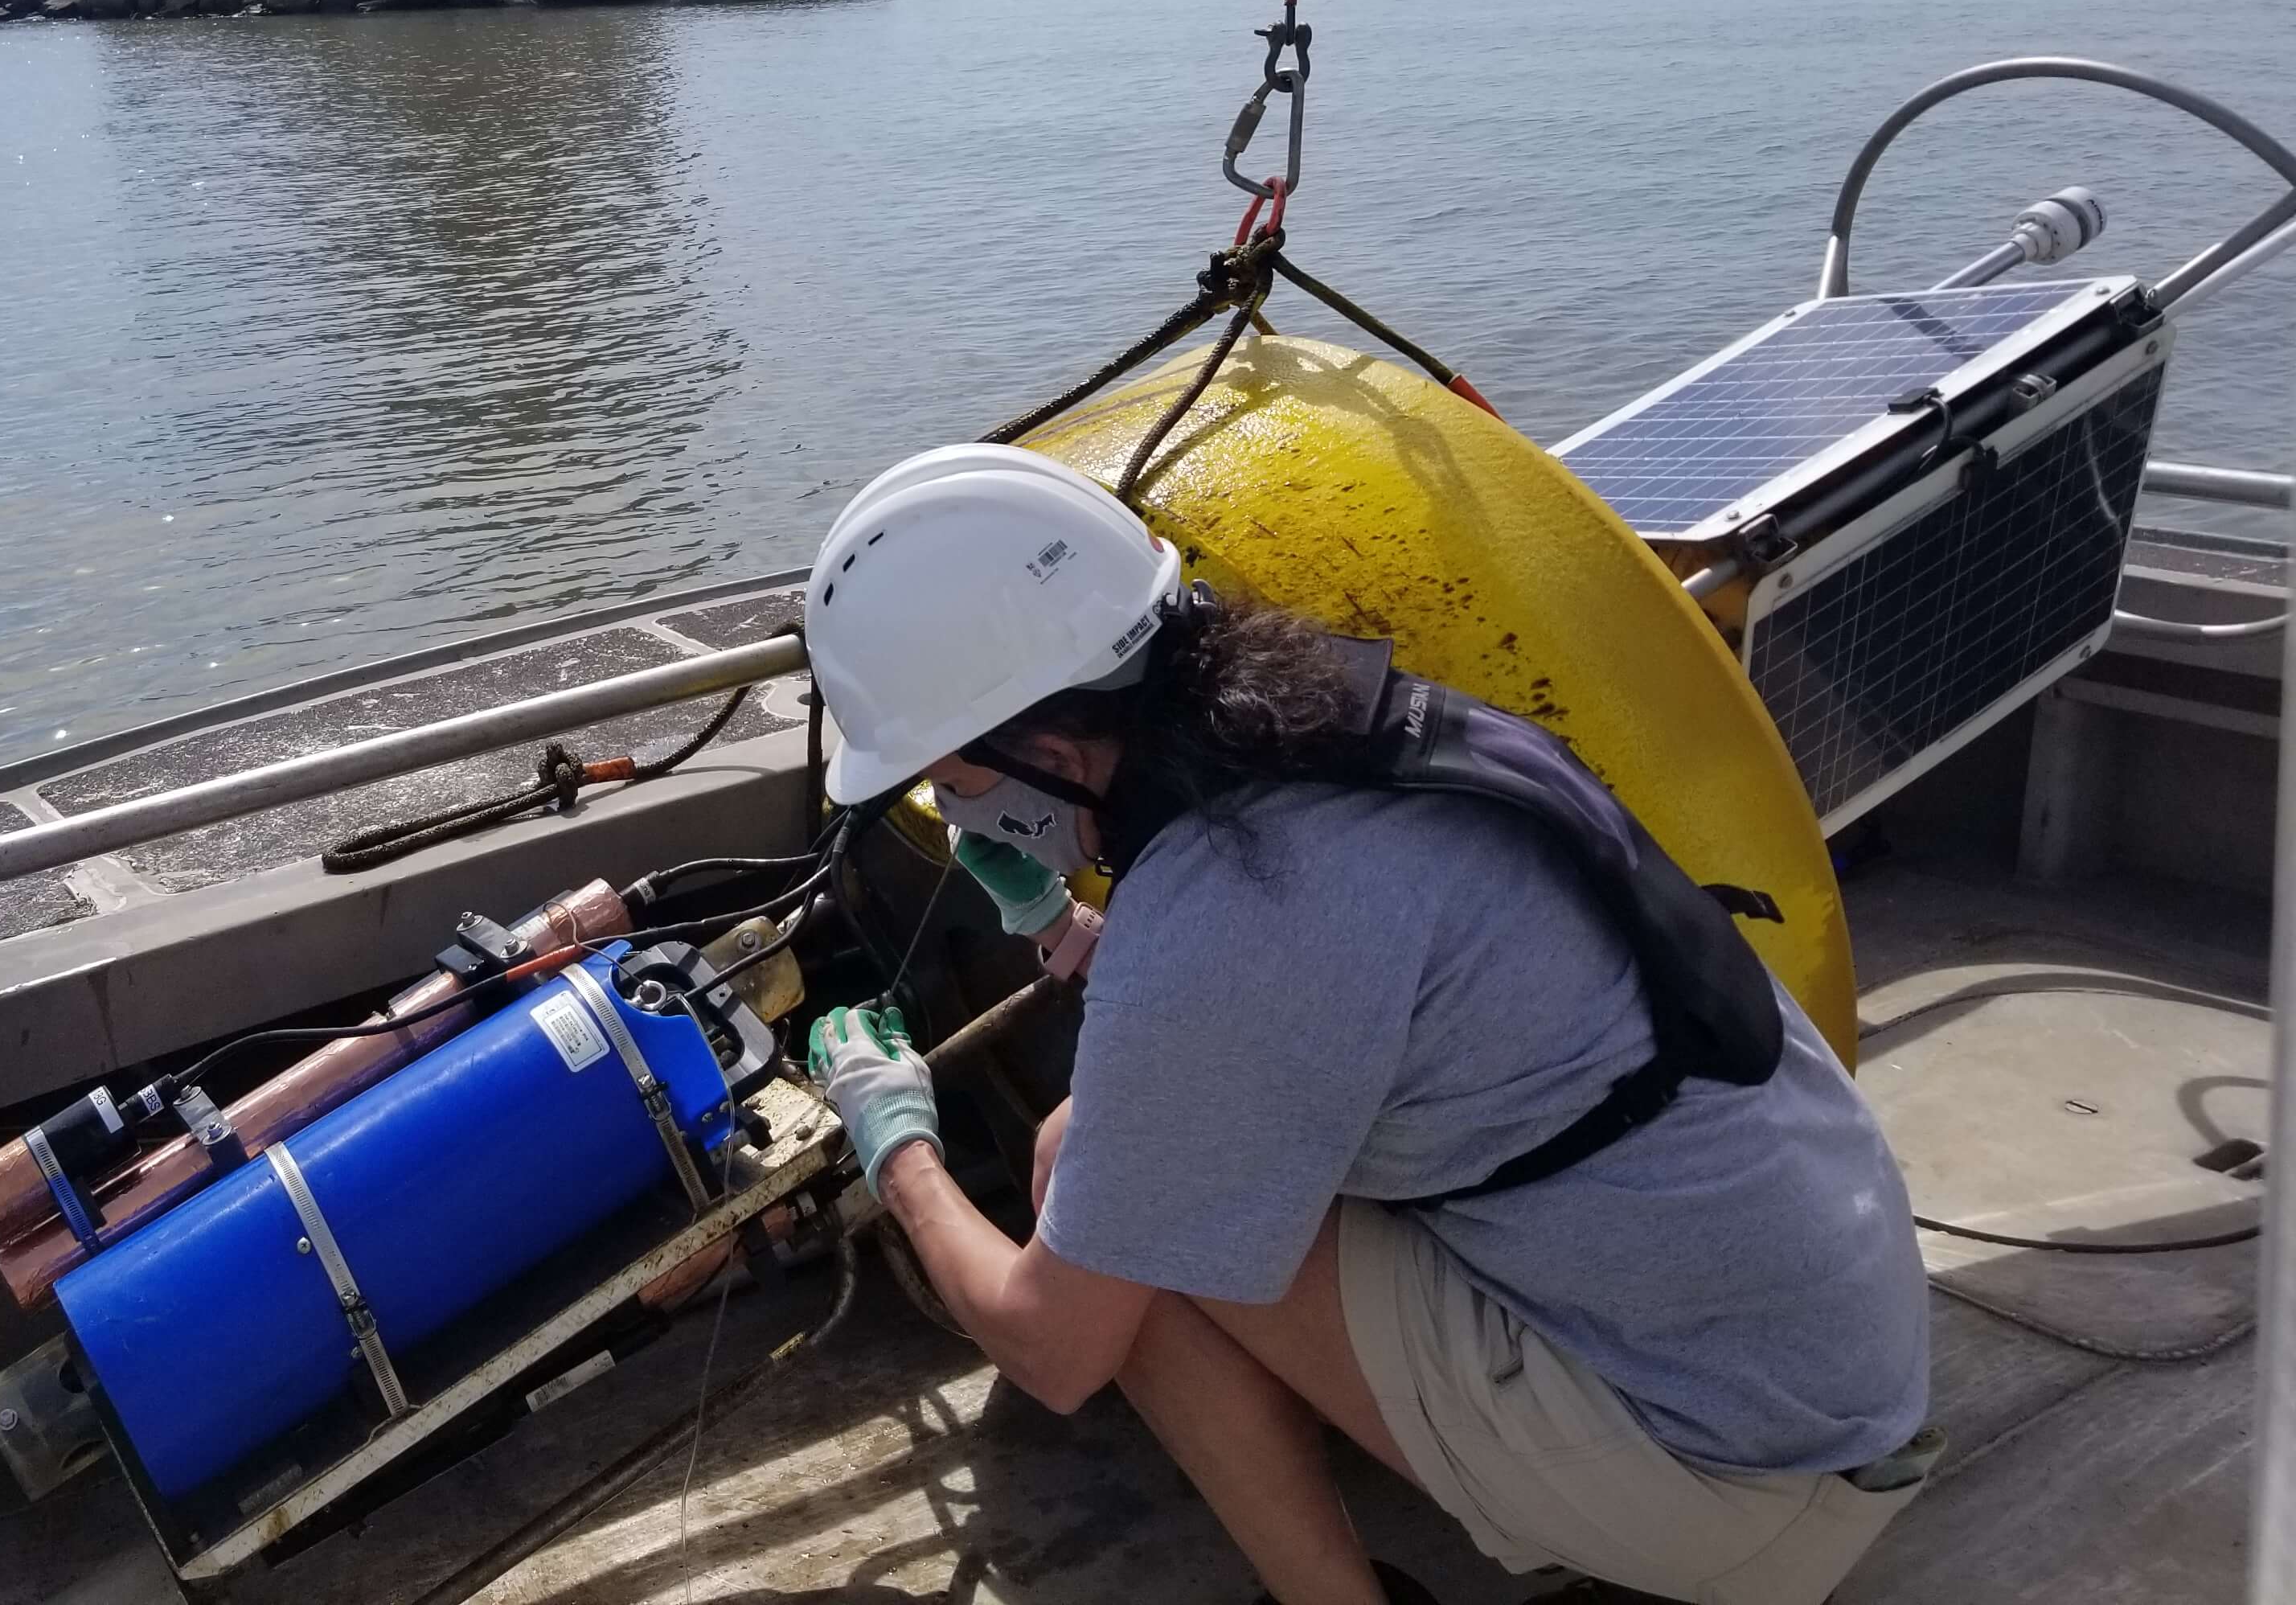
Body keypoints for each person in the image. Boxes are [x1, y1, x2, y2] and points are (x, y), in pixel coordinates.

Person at [797, 443, 1932, 1605]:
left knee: (1091, 1199)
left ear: (1048, 754)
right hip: (1841, 1364)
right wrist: (1080, 937)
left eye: (956, 782)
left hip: (1741, 1490)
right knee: (1119, 1162)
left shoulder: (1226, 913)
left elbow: (1053, 1349)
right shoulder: (1346, 725)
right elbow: (1321, 986)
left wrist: (898, 1143)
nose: (951, 814)